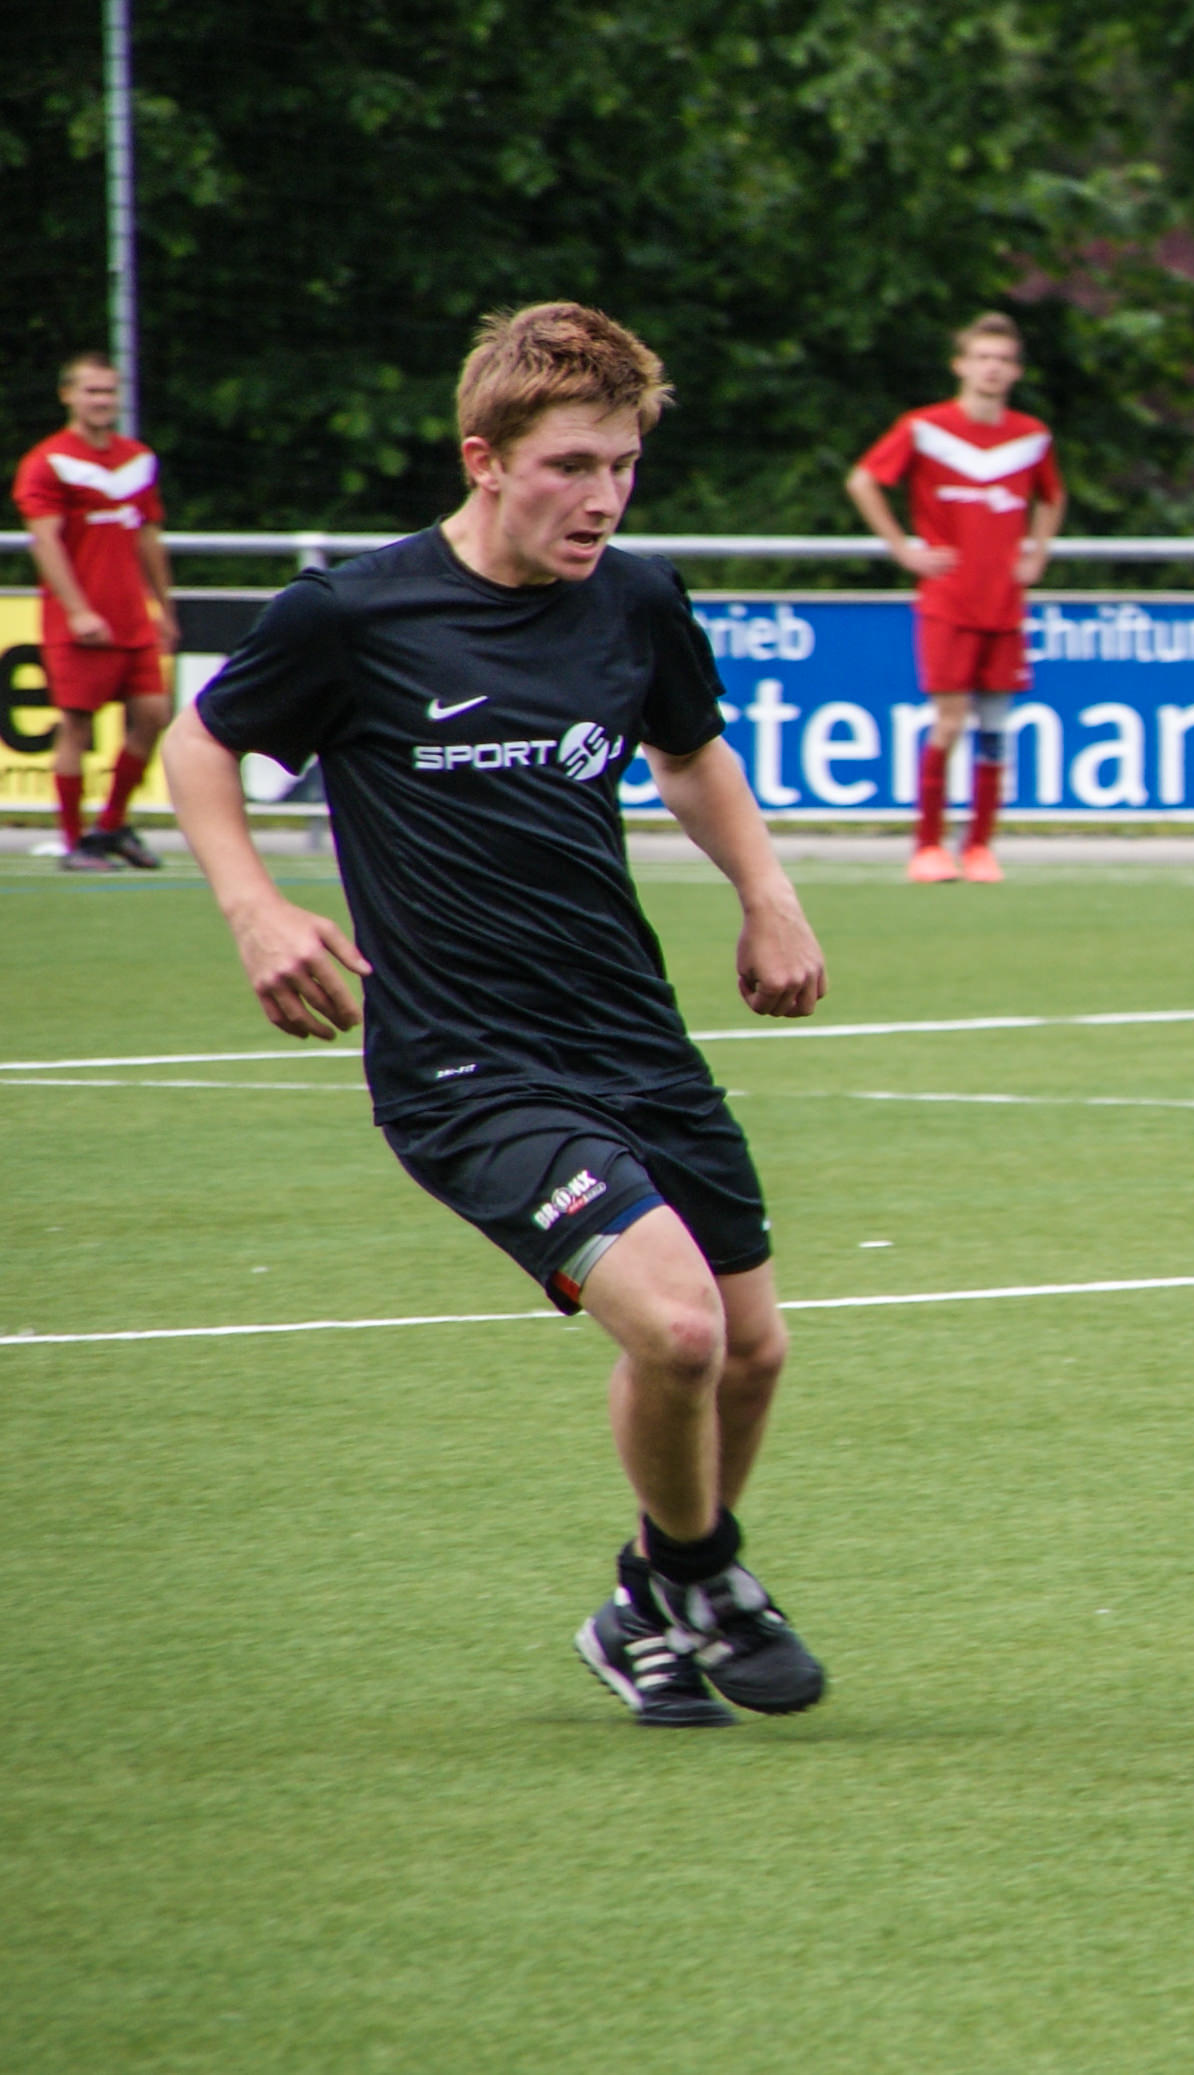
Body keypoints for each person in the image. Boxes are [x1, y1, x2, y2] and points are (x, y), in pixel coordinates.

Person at [162, 304, 836, 1731]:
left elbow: (690, 749)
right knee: (680, 1328)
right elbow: (202, 740)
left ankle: (646, 1608)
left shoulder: (634, 599)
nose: (603, 498)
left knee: (753, 1347)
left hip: (631, 1031)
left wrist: (767, 893)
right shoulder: (354, 616)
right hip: (466, 1065)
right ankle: (702, 1576)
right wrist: (254, 907)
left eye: (625, 466)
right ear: (484, 457)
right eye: (572, 465)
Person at [846, 312, 1067, 885]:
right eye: (983, 357)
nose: (993, 368)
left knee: (995, 728)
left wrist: (1036, 553)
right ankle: (927, 847)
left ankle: (980, 847)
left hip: (1004, 602)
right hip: (949, 599)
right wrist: (903, 548)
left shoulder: (1031, 436)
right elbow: (864, 480)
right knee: (948, 723)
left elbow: (1052, 497)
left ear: (1015, 372)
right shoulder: (926, 428)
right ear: (961, 365)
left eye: (1004, 360)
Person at [13, 351, 178, 872]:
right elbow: (46, 542)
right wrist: (78, 610)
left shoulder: (137, 460)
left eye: (109, 390)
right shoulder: (48, 461)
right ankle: (73, 842)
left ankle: (110, 826)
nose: (102, 400)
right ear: (68, 395)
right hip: (79, 623)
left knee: (154, 715)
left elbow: (148, 537)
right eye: (91, 390)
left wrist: (164, 607)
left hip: (132, 620)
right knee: (76, 727)